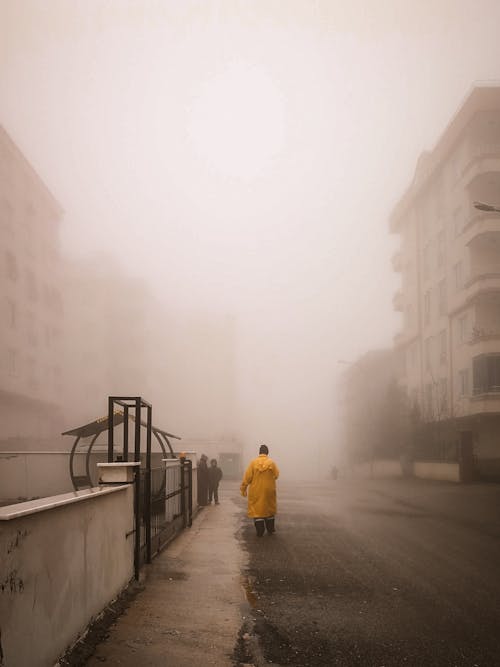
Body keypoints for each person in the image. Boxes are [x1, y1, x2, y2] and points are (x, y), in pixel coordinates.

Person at [240, 444, 279, 536]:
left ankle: (260, 531)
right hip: (269, 490)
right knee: (269, 508)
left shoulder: (253, 463)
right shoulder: (272, 463)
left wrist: (243, 488)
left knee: (257, 510)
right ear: (267, 452)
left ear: (259, 452)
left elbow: (247, 477)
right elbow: (276, 475)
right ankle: (270, 528)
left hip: (256, 490)